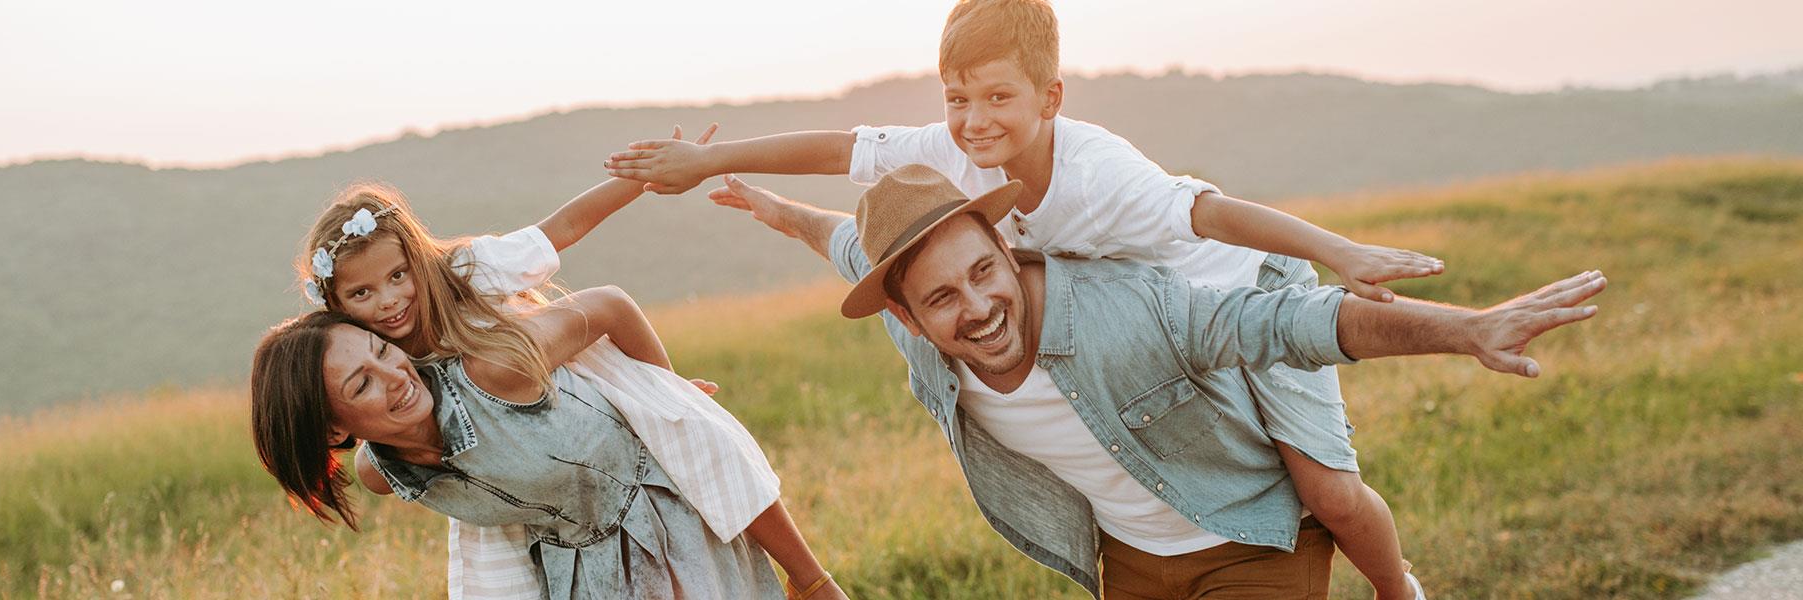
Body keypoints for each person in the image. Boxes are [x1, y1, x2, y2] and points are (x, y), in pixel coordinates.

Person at [605, 2, 1441, 595]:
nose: (972, 120)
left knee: (1323, 493)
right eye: (957, 97)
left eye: (997, 96)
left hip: (1242, 293)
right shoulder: (950, 147)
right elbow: (838, 152)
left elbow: (1214, 213)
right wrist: (718, 168)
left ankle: (1398, 587)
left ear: (1051, 98)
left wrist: (1337, 250)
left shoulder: (1100, 173)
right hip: (1144, 332)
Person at [710, 164, 1602, 599]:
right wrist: (771, 205)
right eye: (941, 298)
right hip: (1131, 567)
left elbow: (1290, 325)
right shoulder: (921, 343)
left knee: (1336, 494)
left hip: (1251, 532)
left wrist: (1467, 329)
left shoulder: (1125, 310)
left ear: (1004, 247)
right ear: (905, 317)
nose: (977, 307)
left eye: (985, 271)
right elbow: (838, 238)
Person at [274, 125, 846, 599]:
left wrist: (664, 389)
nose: (389, 301)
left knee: (694, 439)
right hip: (512, 469)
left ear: (416, 259)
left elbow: (564, 230)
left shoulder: (466, 271)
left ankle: (811, 580)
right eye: (363, 295)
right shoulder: (378, 360)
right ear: (340, 307)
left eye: (397, 276)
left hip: (567, 372)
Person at [251, 310, 790, 598]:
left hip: (670, 527)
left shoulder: (489, 373)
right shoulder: (380, 472)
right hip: (583, 576)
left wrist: (664, 398)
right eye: (362, 384)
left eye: (382, 351)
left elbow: (608, 304)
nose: (396, 376)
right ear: (331, 430)